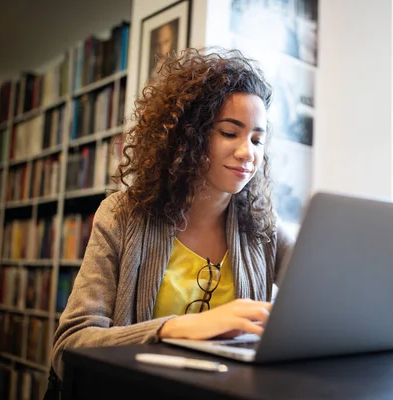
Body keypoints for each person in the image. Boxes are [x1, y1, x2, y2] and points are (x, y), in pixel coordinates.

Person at [47, 47, 295, 386]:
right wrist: (174, 328)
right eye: (229, 132)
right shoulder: (122, 215)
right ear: (187, 134)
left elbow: (329, 295)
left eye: (257, 139)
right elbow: (69, 346)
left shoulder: (264, 226)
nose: (247, 153)